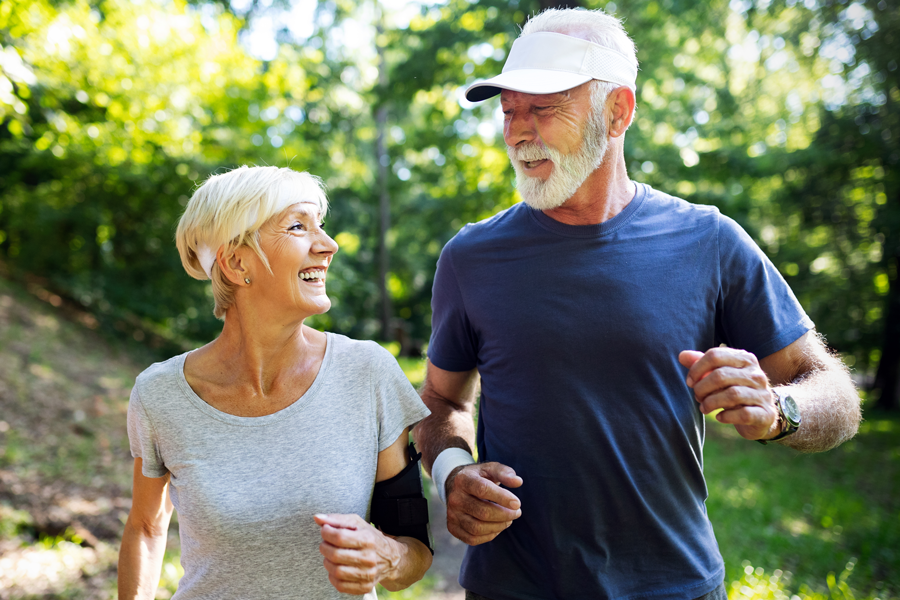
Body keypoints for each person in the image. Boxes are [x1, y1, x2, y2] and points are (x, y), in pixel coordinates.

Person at [413, 8, 862, 600]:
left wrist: (780, 410)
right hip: (513, 587)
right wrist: (452, 471)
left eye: (544, 108)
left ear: (617, 110)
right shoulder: (470, 256)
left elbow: (837, 395)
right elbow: (441, 399)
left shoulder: (710, 241)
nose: (519, 131)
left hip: (674, 586)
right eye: (508, 110)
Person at [118, 166, 433, 599]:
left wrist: (386, 556)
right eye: (298, 227)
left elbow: (415, 551)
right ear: (236, 262)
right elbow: (146, 527)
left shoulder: (368, 373)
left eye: (321, 227)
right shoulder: (161, 394)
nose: (328, 245)